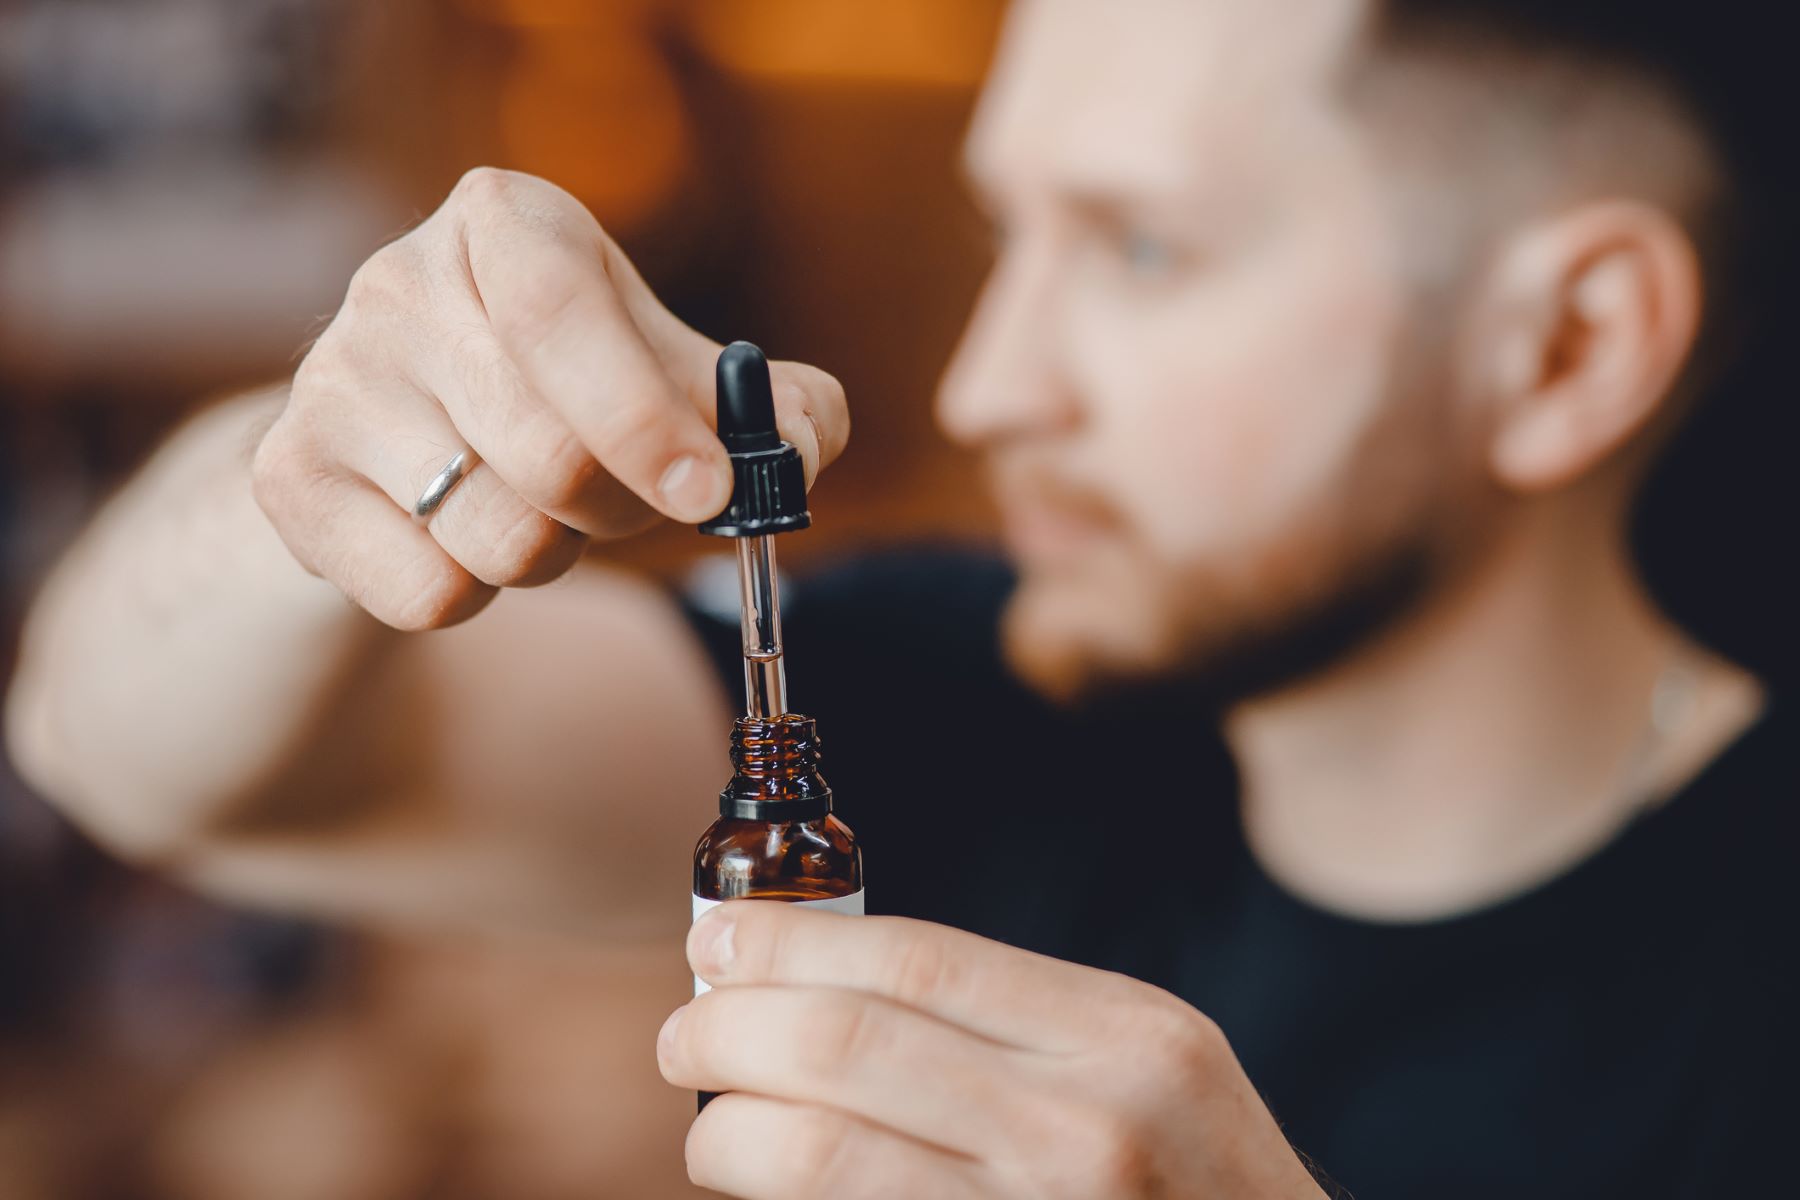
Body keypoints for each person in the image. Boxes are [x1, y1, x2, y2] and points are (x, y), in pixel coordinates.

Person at [7, 0, 1792, 1195]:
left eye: (1141, 247)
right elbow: (125, 745)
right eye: (1010, 236)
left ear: (1564, 347)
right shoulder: (954, 694)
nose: (986, 389)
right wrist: (309, 475)